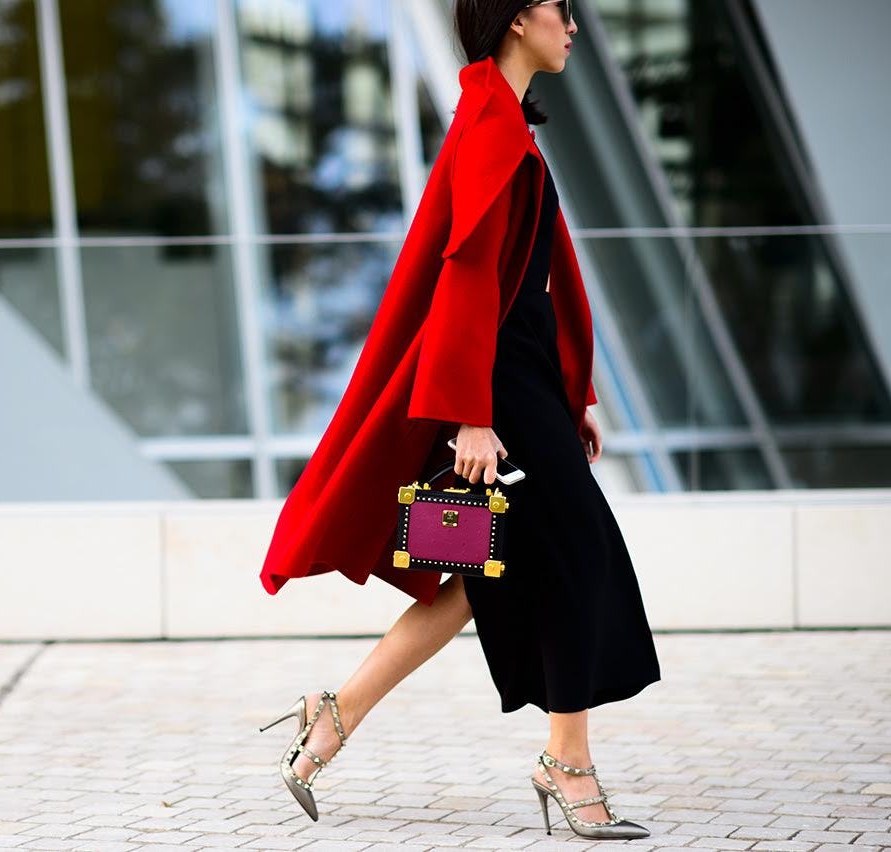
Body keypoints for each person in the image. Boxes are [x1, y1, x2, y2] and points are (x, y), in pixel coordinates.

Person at [257, 0, 661, 840]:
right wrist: (470, 417)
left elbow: (532, 279)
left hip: (517, 382)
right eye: (560, 8)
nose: (574, 25)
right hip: (495, 389)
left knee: (485, 569)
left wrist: (571, 393)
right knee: (579, 558)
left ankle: (335, 713)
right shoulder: (488, 126)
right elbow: (467, 278)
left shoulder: (502, 121)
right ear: (516, 20)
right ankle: (567, 762)